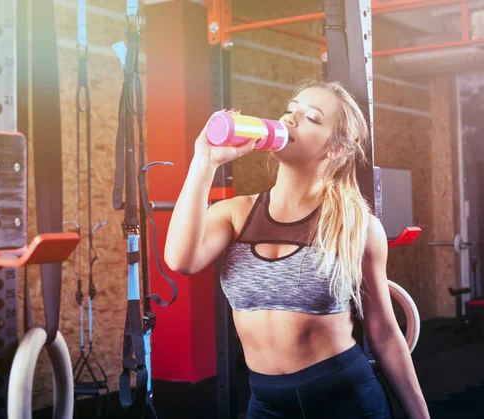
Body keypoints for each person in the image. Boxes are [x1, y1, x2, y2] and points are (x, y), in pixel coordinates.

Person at [164, 79, 429, 419]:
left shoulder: (356, 225)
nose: (291, 119)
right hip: (267, 405)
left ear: (335, 148)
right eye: (290, 110)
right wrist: (205, 161)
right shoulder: (236, 213)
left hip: (346, 401)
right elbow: (180, 260)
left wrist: (420, 415)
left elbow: (384, 331)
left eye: (312, 118)